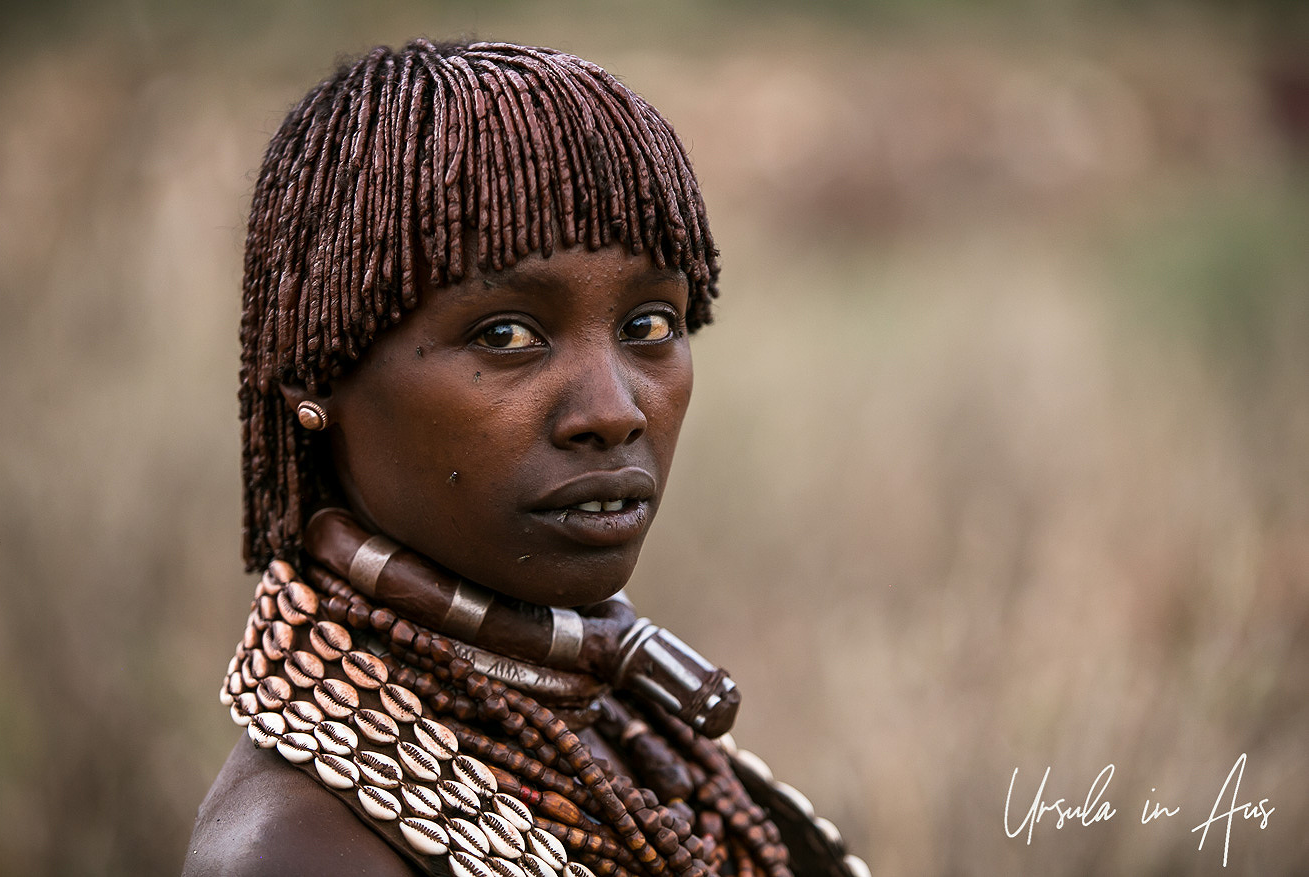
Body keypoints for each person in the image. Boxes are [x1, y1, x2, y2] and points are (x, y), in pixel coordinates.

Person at [184, 39, 869, 877]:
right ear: (312, 378)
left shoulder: (634, 733)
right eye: (505, 334)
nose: (614, 412)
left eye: (650, 324)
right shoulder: (298, 856)